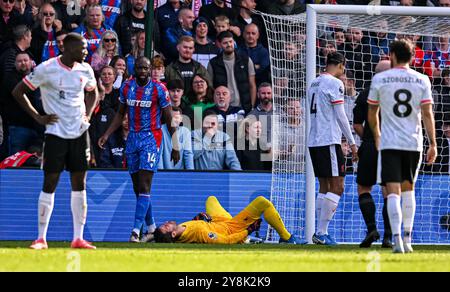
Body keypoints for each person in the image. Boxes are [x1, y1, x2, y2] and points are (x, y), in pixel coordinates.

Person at [12, 33, 99, 250]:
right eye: (83, 47)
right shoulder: (46, 68)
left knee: (80, 184)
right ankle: (41, 238)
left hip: (80, 132)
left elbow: (93, 92)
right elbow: (18, 91)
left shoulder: (85, 69)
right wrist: (38, 116)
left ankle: (78, 238)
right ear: (68, 48)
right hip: (55, 133)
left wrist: (87, 114)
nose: (86, 51)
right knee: (50, 182)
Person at [98, 56, 180, 243]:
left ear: (150, 69)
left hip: (151, 138)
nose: (142, 72)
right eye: (139, 68)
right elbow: (120, 113)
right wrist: (107, 134)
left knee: (144, 185)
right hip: (132, 138)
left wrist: (175, 145)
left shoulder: (159, 89)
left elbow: (168, 118)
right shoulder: (127, 87)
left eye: (146, 68)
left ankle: (135, 231)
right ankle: (151, 228)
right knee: (138, 188)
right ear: (134, 69)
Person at [368, 39, 437, 254]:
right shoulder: (422, 79)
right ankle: (407, 239)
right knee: (409, 189)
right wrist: (433, 143)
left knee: (392, 191)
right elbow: (427, 114)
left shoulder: (380, 78)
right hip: (413, 143)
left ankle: (397, 238)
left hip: (390, 143)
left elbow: (372, 114)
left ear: (392, 56)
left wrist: (378, 137)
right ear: (413, 57)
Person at [307, 52, 358, 246]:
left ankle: (318, 232)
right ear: (341, 65)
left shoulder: (314, 83)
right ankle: (321, 232)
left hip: (314, 141)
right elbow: (341, 116)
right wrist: (352, 143)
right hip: (328, 140)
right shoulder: (335, 83)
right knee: (338, 186)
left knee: (325, 186)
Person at [353, 60, 393, 248]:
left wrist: (368, 138)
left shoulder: (364, 94)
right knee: (389, 192)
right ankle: (388, 236)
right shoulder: (397, 94)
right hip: (391, 146)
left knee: (364, 188)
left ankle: (371, 229)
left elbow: (356, 124)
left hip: (370, 145)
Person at [153, 195, 305, 244]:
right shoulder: (200, 233)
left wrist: (199, 218)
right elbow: (225, 241)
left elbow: (193, 226)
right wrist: (248, 230)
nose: (166, 223)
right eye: (166, 227)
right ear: (173, 235)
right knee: (262, 202)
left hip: (217, 222)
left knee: (210, 200)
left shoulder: (181, 228)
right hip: (230, 228)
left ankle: (243, 231)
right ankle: (286, 237)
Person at [208, 31, 256, 113]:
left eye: (230, 41)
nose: (229, 45)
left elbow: (252, 85)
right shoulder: (213, 63)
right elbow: (210, 87)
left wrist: (251, 106)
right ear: (219, 44)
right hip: (222, 108)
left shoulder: (246, 60)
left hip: (243, 107)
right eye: (225, 43)